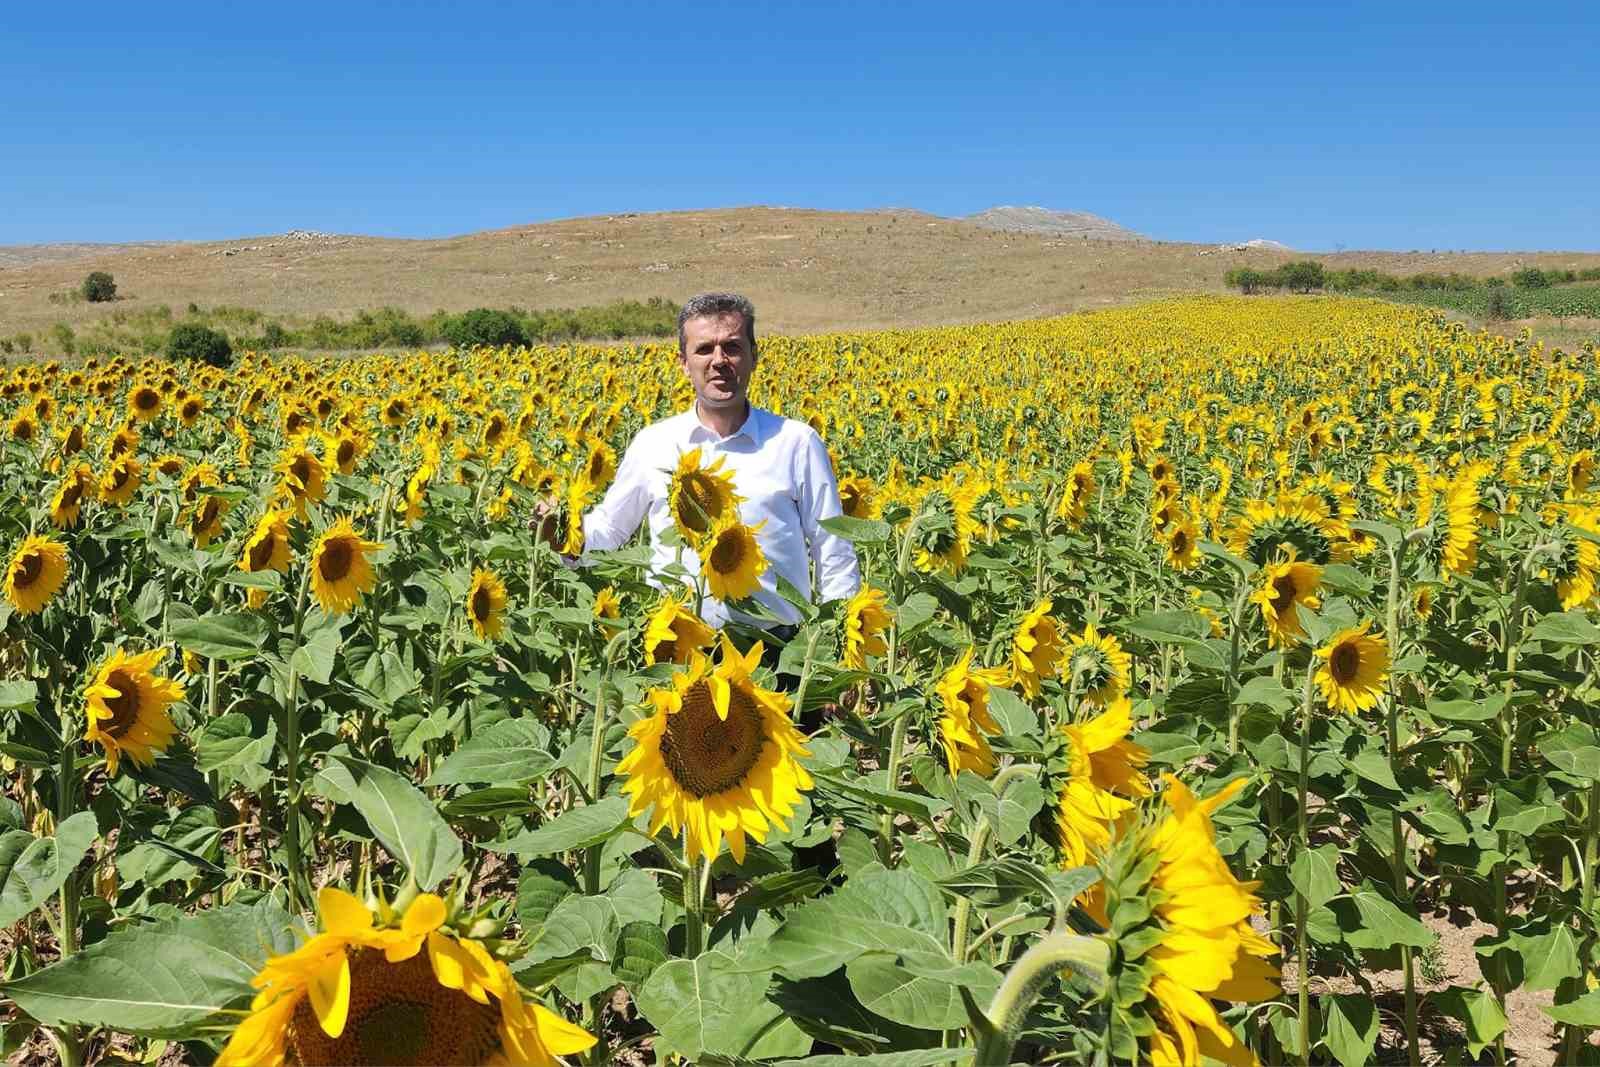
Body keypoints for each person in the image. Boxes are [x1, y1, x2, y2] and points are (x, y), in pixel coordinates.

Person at [570, 291, 860, 638]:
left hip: (779, 647)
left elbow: (833, 547)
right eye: (704, 349)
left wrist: (840, 638)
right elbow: (610, 531)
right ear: (683, 362)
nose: (719, 360)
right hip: (677, 647)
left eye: (732, 347)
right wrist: (561, 533)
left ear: (754, 357)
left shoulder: (796, 443)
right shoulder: (655, 444)